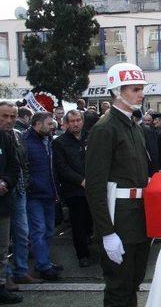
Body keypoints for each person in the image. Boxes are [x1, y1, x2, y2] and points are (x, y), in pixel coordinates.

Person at [85, 63, 152, 307]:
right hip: (118, 216)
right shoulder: (105, 128)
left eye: (141, 88)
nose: (140, 94)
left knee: (134, 279)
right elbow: (95, 186)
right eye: (135, 89)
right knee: (118, 283)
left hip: (137, 214)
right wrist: (106, 231)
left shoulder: (132, 125)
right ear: (117, 91)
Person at [0, 102, 41, 289]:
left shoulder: (17, 136)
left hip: (18, 191)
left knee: (22, 234)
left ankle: (21, 271)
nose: (9, 120)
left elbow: (19, 165)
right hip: (5, 194)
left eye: (12, 116)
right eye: (4, 116)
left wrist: (13, 182)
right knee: (4, 239)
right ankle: (5, 277)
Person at [52, 110, 93, 268]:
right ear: (66, 123)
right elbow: (62, 167)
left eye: (78, 120)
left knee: (91, 220)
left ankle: (90, 242)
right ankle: (82, 255)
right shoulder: (59, 142)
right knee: (78, 223)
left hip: (93, 187)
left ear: (82, 121)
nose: (76, 124)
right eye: (72, 121)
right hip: (74, 190)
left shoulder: (90, 138)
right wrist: (81, 181)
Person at [23, 112, 61, 281]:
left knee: (49, 231)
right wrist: (31, 185)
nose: (52, 126)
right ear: (37, 124)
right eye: (49, 123)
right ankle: (43, 266)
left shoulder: (49, 141)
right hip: (35, 195)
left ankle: (44, 261)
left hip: (49, 193)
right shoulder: (25, 141)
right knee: (38, 230)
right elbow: (23, 169)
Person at [0, 121, 21, 304]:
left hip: (3, 202)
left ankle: (1, 286)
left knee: (2, 248)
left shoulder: (4, 138)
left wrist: (5, 182)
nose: (8, 120)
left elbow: (14, 166)